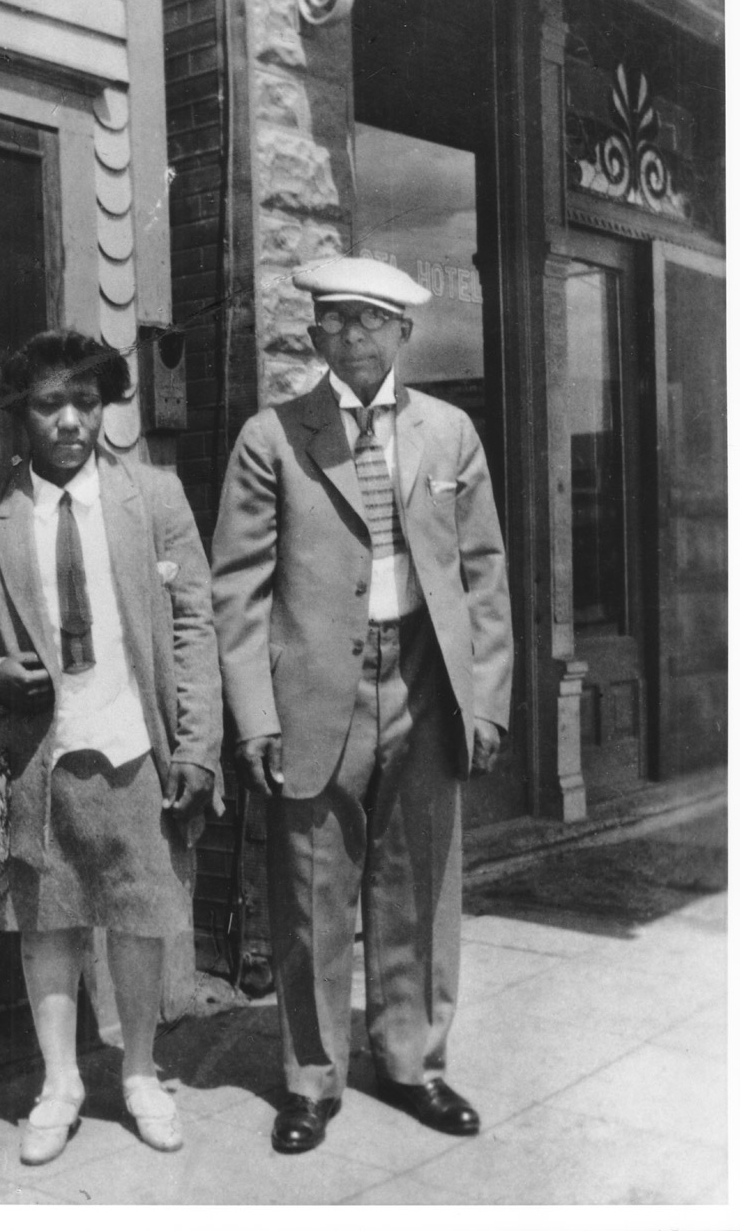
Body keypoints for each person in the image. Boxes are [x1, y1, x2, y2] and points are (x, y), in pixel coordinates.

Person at [210, 257, 513, 1154]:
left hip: (424, 678)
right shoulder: (274, 437)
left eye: (374, 320)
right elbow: (239, 590)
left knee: (419, 882)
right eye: (337, 319)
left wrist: (486, 697)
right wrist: (256, 716)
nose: (355, 335)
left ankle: (413, 1062)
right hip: (315, 689)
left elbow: (485, 574)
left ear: (404, 334)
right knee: (311, 889)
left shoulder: (449, 433)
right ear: (314, 335)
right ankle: (311, 1079)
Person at [0, 329, 222, 1164]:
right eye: (49, 403)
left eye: (86, 403)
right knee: (47, 921)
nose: (68, 421)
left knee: (138, 913)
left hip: (134, 741)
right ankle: (58, 1083)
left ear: (107, 409)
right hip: (36, 753)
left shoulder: (153, 498)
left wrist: (198, 746)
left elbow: (196, 623)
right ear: (19, 412)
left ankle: (137, 1074)